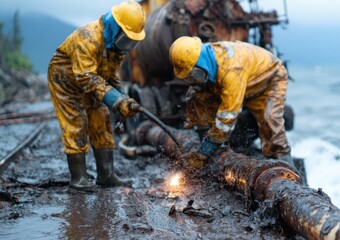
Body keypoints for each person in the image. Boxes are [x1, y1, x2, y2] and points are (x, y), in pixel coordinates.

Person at [47, 0, 146, 190]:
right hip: (65, 80)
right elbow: (85, 76)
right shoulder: (89, 37)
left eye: (131, 42)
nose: (127, 45)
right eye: (126, 39)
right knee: (76, 122)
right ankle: (79, 179)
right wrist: (116, 100)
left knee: (101, 118)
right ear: (115, 27)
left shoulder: (117, 47)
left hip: (92, 81)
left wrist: (124, 99)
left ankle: (106, 176)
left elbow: (110, 77)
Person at [169, 36, 293, 171]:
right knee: (197, 98)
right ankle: (213, 152)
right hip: (244, 80)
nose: (192, 80)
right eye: (188, 78)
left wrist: (204, 152)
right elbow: (199, 107)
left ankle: (286, 168)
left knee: (270, 120)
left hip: (269, 80)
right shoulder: (209, 61)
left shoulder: (231, 70)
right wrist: (203, 140)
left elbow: (226, 117)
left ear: (201, 64)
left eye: (194, 75)